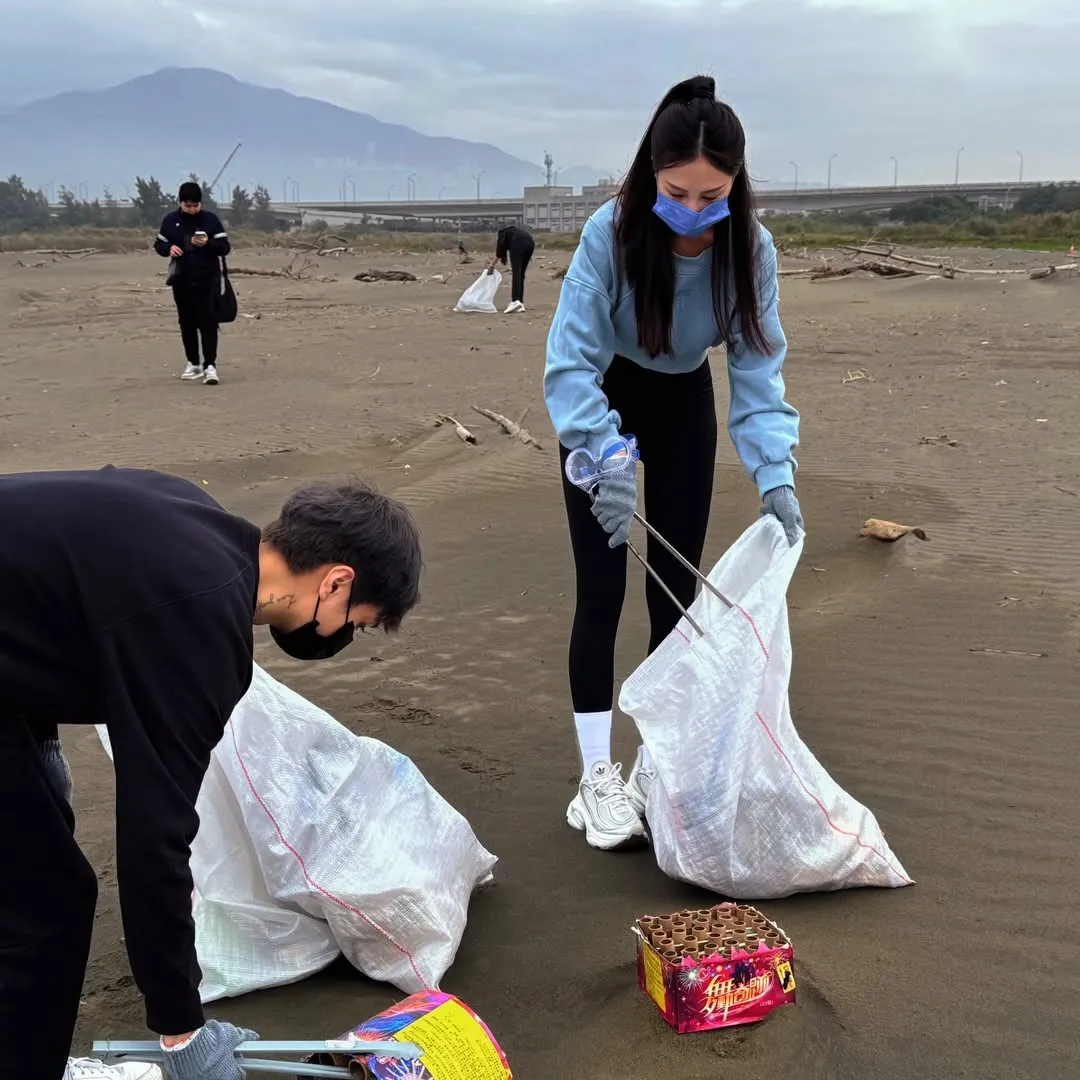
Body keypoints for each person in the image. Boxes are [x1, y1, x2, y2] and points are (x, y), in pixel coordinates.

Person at [0, 466, 423, 1080]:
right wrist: (181, 1029)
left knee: (30, 865)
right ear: (336, 582)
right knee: (48, 901)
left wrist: (35, 736)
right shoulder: (199, 618)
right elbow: (156, 835)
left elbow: (41, 591)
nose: (342, 637)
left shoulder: (195, 523)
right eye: (355, 622)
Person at [543, 75, 802, 851]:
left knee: (676, 596)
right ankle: (597, 779)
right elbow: (570, 360)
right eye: (676, 192)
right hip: (605, 400)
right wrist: (601, 452)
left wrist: (776, 475)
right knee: (604, 590)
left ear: (735, 184)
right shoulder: (611, 233)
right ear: (649, 177)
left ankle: (655, 764)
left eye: (711, 194)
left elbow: (757, 372)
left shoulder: (750, 250)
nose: (693, 211)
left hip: (683, 402)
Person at [154, 182, 230, 385]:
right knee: (186, 323)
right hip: (181, 279)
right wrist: (169, 248)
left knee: (208, 322)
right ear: (180, 202)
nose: (193, 209)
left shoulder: (211, 220)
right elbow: (159, 245)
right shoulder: (170, 221)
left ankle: (210, 365)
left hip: (207, 279)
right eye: (188, 205)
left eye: (196, 205)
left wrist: (208, 243)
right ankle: (193, 363)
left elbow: (224, 247)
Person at [489, 222, 535, 314]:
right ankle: (520, 302)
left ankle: (515, 301)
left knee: (516, 273)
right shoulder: (515, 231)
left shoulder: (502, 234)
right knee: (521, 274)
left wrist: (491, 266)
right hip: (530, 242)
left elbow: (499, 252)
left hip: (518, 243)